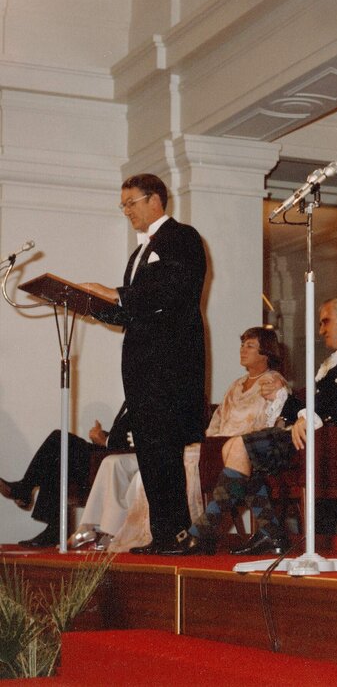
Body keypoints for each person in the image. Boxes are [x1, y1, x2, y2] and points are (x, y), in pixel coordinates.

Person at [167, 296, 337, 556]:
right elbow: (308, 401)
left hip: (333, 440)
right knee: (234, 449)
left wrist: (307, 415)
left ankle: (206, 533)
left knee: (239, 448)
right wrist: (288, 398)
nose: (321, 330)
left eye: (325, 322)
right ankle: (267, 533)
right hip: (309, 435)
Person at [68, 327, 288, 552]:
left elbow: (272, 423)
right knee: (166, 458)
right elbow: (217, 419)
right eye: (242, 344)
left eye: (249, 345)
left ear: (266, 352)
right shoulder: (236, 385)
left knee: (172, 459)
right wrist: (209, 442)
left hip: (246, 446)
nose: (242, 350)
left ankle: (191, 534)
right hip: (218, 444)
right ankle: (159, 533)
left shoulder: (274, 382)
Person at [79, 173, 207, 555]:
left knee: (165, 446)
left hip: (171, 362)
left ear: (155, 200)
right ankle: (163, 534)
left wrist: (114, 294)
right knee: (150, 450)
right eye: (123, 205)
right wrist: (96, 307)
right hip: (141, 364)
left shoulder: (183, 237)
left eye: (130, 203)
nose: (126, 212)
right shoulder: (138, 254)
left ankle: (178, 534)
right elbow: (134, 312)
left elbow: (172, 289)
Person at [1, 413, 131, 548]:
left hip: (120, 459)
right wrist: (103, 435)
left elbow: (140, 438)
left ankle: (25, 491)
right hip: (107, 452)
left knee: (58, 441)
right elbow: (124, 436)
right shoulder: (129, 401)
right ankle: (53, 526)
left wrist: (105, 440)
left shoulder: (145, 401)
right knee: (59, 451)